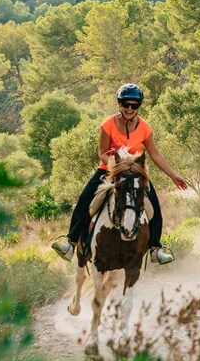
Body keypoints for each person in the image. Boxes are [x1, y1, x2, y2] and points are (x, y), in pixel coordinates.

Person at [51, 83, 188, 264]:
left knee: (154, 208)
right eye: (126, 104)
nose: (130, 109)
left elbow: (154, 153)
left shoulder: (145, 128)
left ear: (138, 106)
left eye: (134, 105)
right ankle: (71, 242)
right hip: (108, 169)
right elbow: (101, 152)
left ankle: (156, 249)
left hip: (137, 172)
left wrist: (173, 175)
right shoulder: (108, 125)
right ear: (120, 104)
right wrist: (116, 166)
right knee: (84, 200)